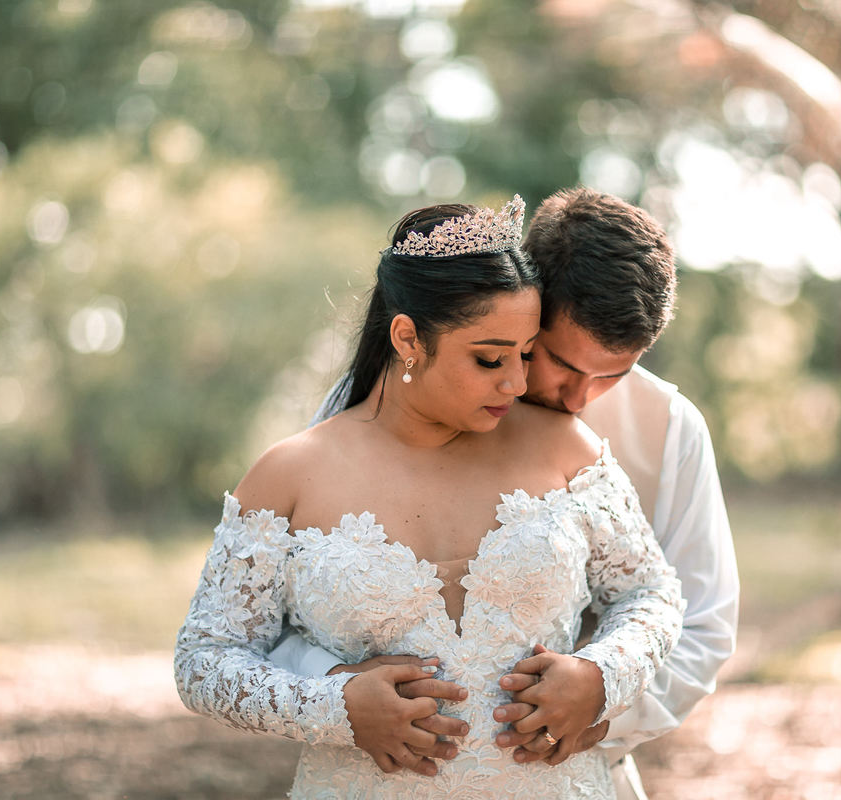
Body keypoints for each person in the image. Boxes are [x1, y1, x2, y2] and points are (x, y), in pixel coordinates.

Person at [174, 196, 686, 799]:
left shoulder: (566, 448)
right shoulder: (289, 474)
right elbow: (205, 659)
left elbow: (651, 593)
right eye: (490, 359)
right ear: (408, 338)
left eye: (526, 355)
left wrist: (601, 677)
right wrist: (335, 706)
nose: (518, 384)